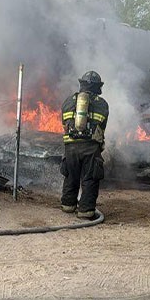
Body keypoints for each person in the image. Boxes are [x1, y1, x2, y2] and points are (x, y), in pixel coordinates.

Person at [60, 70, 109, 220]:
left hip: (71, 147)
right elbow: (102, 125)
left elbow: (64, 123)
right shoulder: (102, 104)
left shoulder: (68, 101)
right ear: (97, 87)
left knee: (71, 176)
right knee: (89, 179)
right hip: (90, 148)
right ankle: (86, 210)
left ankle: (68, 205)